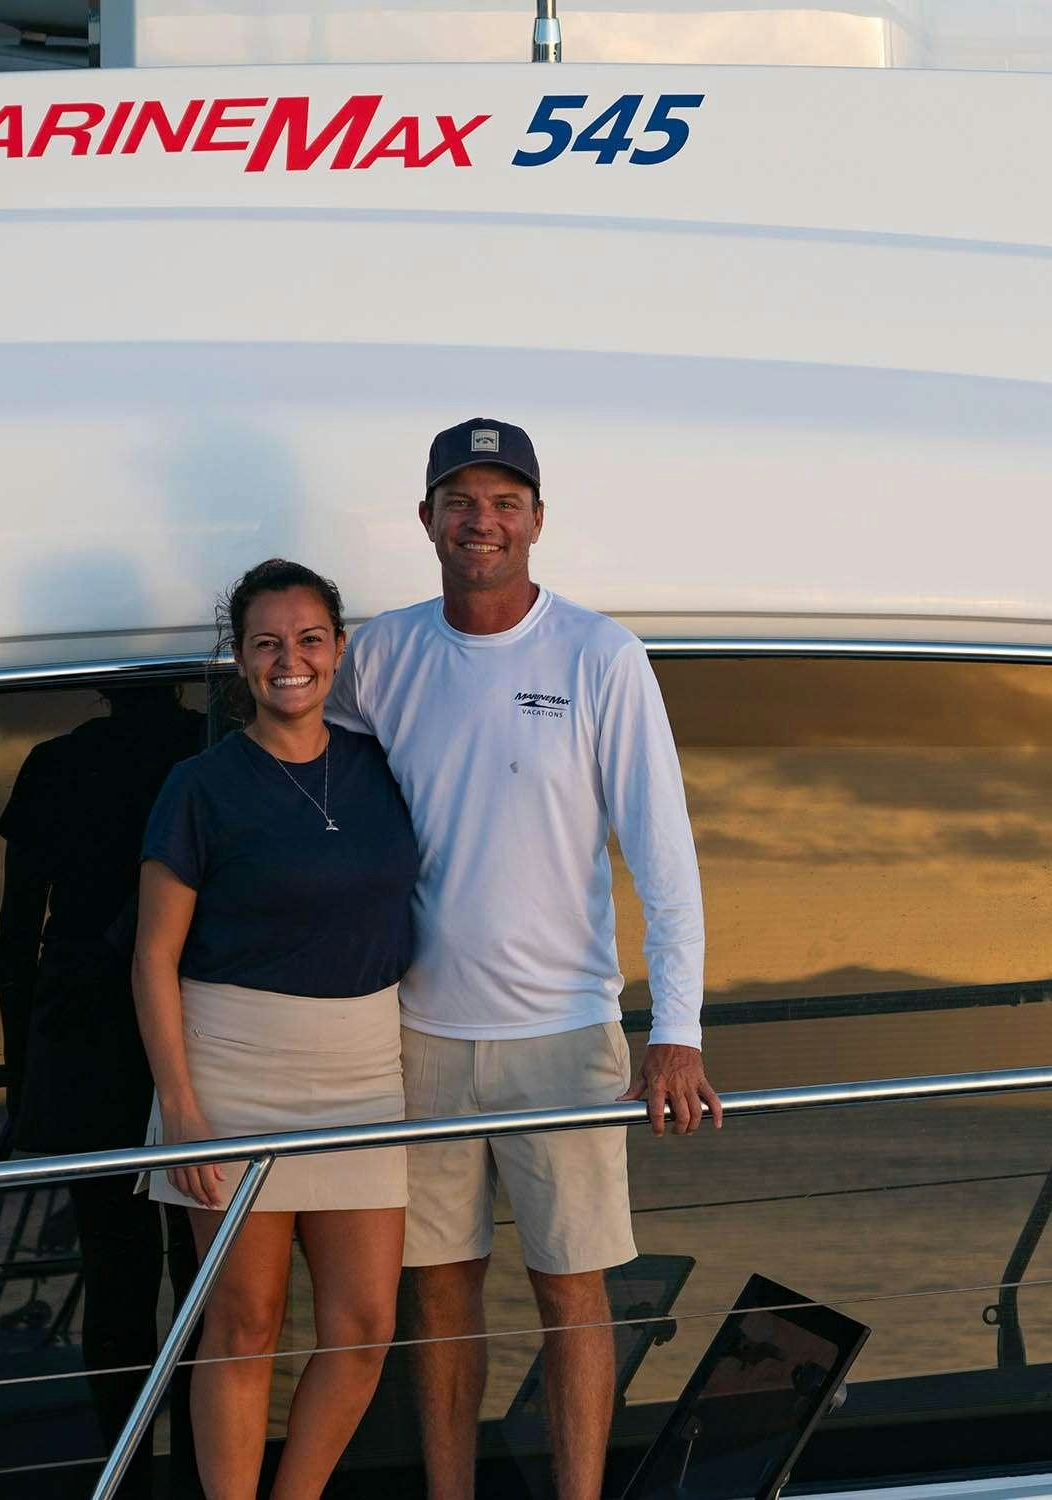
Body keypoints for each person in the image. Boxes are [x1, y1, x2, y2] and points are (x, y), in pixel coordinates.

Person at [326, 418, 721, 1500]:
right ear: (427, 522)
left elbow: (664, 855)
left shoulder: (600, 654)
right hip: (417, 1035)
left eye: (505, 502)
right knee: (440, 1296)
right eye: (462, 501)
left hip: (563, 1037)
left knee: (571, 1294)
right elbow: (323, 798)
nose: (482, 521)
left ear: (538, 520)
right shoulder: (381, 656)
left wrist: (675, 1032)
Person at [133, 558, 420, 1500]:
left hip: (367, 1067)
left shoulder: (382, 765)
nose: (288, 660)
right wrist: (181, 1107)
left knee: (365, 1325)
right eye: (265, 643)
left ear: (338, 649)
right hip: (232, 1069)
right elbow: (152, 960)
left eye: (307, 639)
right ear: (240, 661)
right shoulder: (200, 785)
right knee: (247, 1322)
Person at [0, 684, 205, 1499]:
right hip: (191, 1021)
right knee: (200, 1279)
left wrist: (25, 1076)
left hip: (88, 1044)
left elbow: (19, 929)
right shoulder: (213, 747)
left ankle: (124, 1480)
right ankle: (196, 1473)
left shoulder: (57, 763)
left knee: (119, 1280)